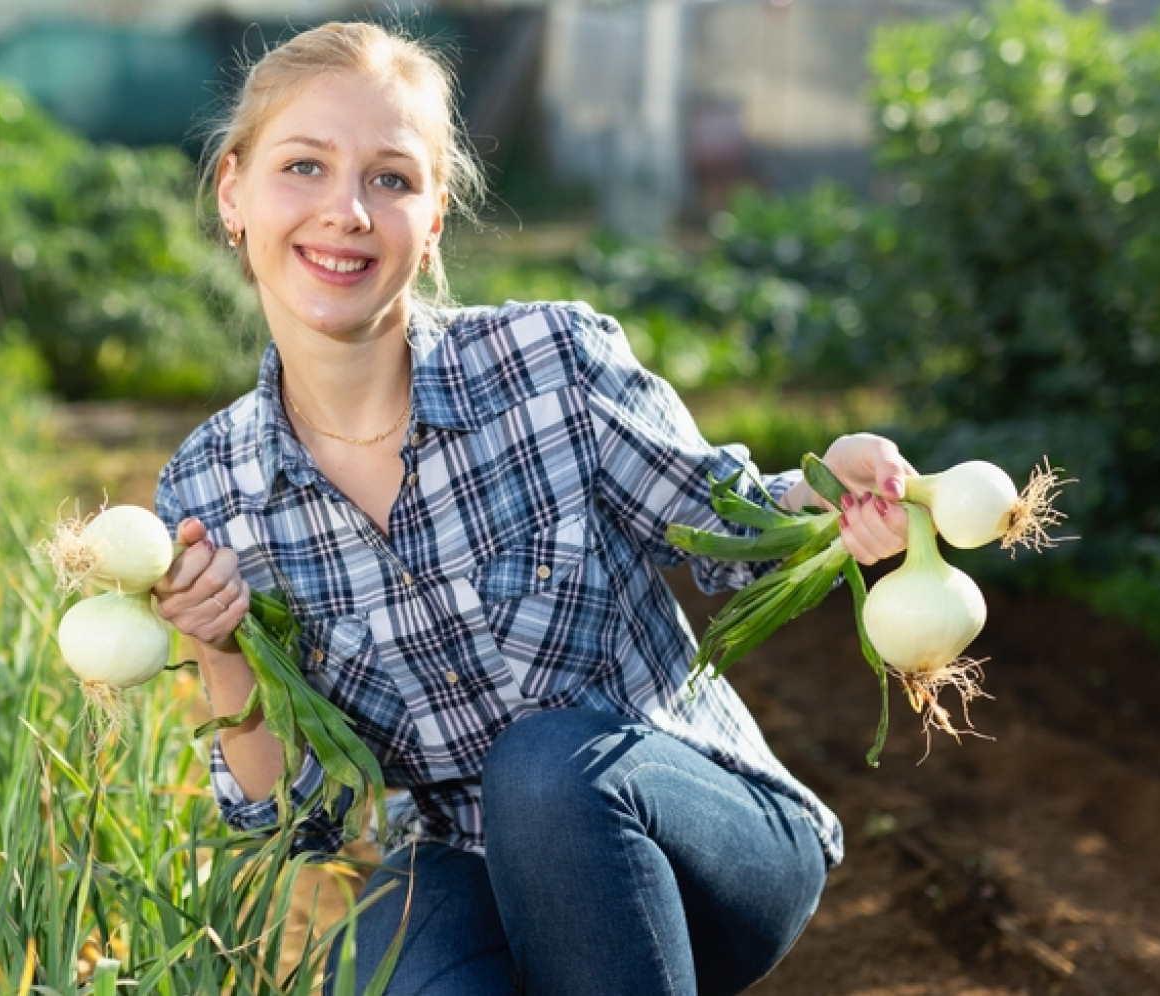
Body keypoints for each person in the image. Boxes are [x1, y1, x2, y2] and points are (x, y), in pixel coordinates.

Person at [150, 22, 911, 996]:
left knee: (545, 767)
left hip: (694, 837)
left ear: (430, 225)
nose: (344, 211)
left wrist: (827, 487)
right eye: (303, 166)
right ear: (232, 192)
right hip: (473, 868)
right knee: (394, 967)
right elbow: (299, 819)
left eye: (390, 179)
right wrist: (218, 647)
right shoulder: (213, 490)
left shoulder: (548, 363)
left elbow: (728, 531)